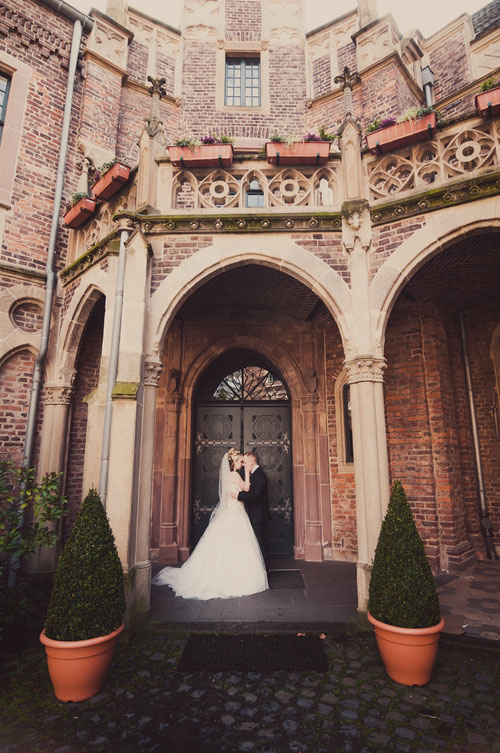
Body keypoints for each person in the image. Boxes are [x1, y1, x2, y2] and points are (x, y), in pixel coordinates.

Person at [152, 448, 268, 600]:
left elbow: (242, 493)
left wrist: (240, 491)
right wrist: (246, 473)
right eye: (240, 461)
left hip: (235, 512)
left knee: (230, 545)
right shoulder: (234, 475)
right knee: (237, 544)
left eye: (244, 462)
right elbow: (246, 488)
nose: (242, 463)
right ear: (233, 463)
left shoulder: (231, 475)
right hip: (236, 513)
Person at [231, 449, 270, 569]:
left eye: (245, 463)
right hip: (253, 515)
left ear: (252, 463)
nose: (243, 465)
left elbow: (255, 495)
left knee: (260, 545)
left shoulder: (260, 476)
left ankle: (264, 571)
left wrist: (239, 496)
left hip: (258, 517)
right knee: (254, 545)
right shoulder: (254, 474)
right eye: (242, 463)